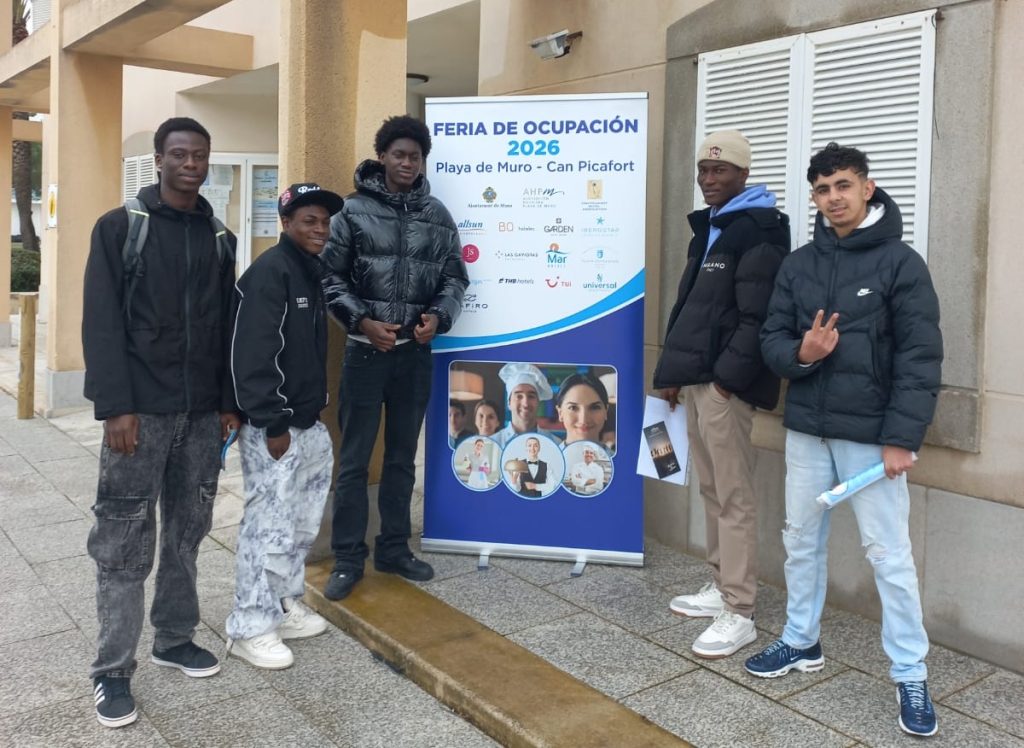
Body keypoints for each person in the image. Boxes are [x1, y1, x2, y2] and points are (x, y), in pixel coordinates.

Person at [747, 143, 942, 738]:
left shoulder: (901, 263)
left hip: (872, 440)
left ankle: (910, 672)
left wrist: (902, 438)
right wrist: (801, 355)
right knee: (800, 540)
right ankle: (801, 640)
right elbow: (772, 338)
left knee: (889, 557)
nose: (833, 198)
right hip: (808, 429)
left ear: (867, 188)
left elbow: (920, 356)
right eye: (822, 189)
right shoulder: (799, 264)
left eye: (842, 186)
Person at [82, 117, 239, 728]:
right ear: (158, 159)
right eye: (179, 154)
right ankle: (111, 671)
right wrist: (114, 405)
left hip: (200, 415)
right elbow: (100, 321)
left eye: (200, 155)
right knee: (122, 541)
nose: (191, 164)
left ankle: (174, 637)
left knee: (186, 532)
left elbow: (227, 329)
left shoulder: (219, 238)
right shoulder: (122, 228)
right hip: (138, 416)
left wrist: (228, 402)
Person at [652, 129, 790, 659]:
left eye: (721, 171)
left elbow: (759, 318)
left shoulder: (761, 230)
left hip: (724, 387)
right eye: (704, 170)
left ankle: (740, 610)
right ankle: (720, 584)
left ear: (743, 174)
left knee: (733, 496)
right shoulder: (710, 228)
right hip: (700, 380)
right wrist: (672, 373)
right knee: (711, 489)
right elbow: (695, 312)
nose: (709, 179)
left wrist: (726, 382)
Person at [320, 115, 468, 601]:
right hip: (365, 355)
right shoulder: (350, 212)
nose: (407, 163)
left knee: (403, 458)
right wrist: (361, 321)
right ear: (381, 156)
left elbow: (454, 279)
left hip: (413, 359)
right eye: (399, 154)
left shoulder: (438, 215)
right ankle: (347, 558)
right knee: (355, 461)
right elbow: (330, 278)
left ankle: (393, 548)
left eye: (416, 156)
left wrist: (438, 319)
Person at [224, 183, 344, 670]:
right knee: (267, 527)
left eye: (324, 221)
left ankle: (282, 603)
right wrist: (271, 421)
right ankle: (249, 625)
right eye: (308, 221)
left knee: (299, 525)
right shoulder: (270, 273)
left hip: (308, 423)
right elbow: (252, 356)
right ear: (286, 223)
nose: (319, 229)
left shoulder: (311, 272)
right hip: (274, 428)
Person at [494, 362, 561, 447]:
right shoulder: (493, 444)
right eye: (519, 396)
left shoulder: (555, 444)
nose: (525, 403)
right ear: (509, 403)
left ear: (538, 402)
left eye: (531, 396)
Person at [556, 372, 610, 448]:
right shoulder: (549, 459)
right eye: (573, 408)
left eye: (594, 407)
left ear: (606, 411)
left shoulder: (621, 459)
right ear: (560, 413)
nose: (583, 420)